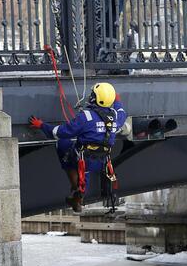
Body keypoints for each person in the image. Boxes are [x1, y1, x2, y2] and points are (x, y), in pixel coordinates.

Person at [28, 82, 127, 212]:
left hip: (82, 159)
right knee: (85, 166)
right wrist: (117, 100)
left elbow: (60, 132)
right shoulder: (115, 117)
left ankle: (77, 189)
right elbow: (121, 111)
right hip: (101, 161)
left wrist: (41, 125)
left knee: (63, 144)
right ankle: (78, 194)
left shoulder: (86, 117)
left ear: (95, 98)